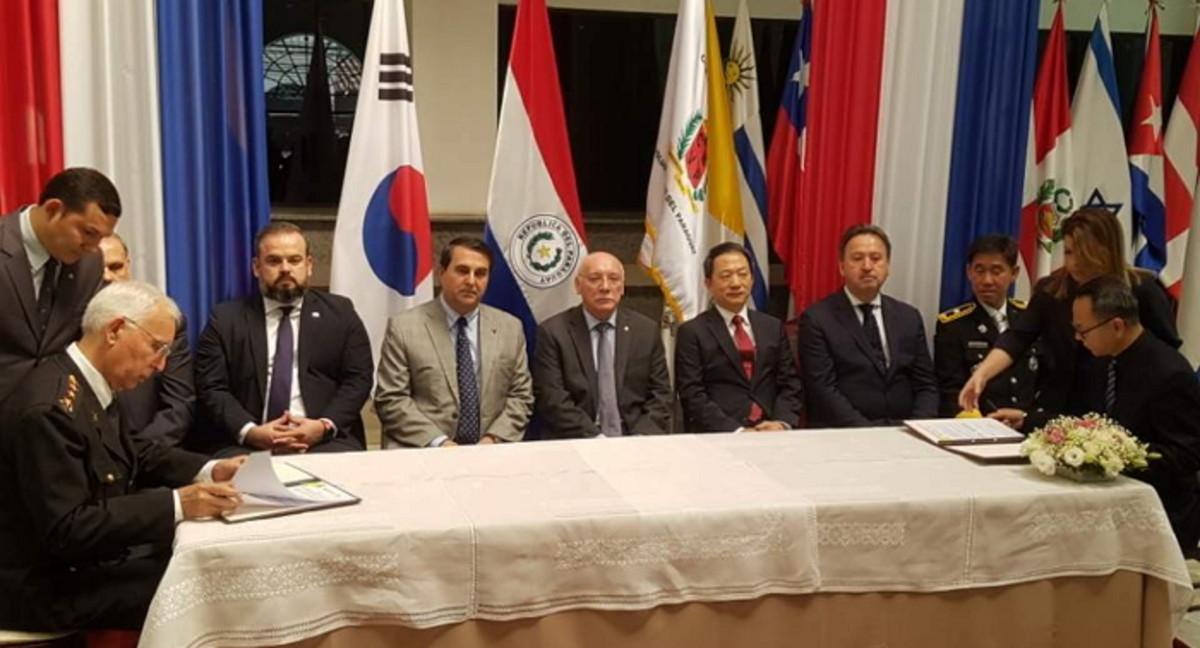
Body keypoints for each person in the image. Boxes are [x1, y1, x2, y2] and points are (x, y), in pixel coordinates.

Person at [0, 281, 244, 631]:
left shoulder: (85, 381)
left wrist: (210, 469)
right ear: (115, 330)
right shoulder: (49, 409)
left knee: (200, 561)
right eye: (157, 347)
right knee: (200, 583)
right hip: (42, 586)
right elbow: (69, 529)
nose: (162, 365)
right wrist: (178, 504)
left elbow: (135, 451)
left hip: (82, 564)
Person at [1002, 278, 1200, 550]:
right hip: (1107, 499)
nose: (1077, 338)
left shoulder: (1169, 373)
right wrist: (1028, 419)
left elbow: (1185, 457)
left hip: (1159, 515)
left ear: (1117, 326)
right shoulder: (1104, 360)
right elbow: (1087, 422)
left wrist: (1115, 453)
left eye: (1083, 331)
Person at [960, 208, 1180, 420]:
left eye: (1083, 253)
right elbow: (1017, 338)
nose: (1073, 263)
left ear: (1106, 250)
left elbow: (1164, 353)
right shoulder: (1051, 291)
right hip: (1058, 408)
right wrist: (982, 374)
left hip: (1120, 407)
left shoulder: (1142, 290)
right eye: (1068, 252)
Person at [195, 223, 373, 455]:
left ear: (309, 265)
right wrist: (250, 431)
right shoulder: (226, 319)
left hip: (325, 440)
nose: (285, 268)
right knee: (232, 475)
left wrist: (323, 426)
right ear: (256, 267)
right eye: (274, 261)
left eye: (294, 260)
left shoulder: (340, 313)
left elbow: (359, 379)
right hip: (246, 442)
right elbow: (211, 386)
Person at [375, 237, 534, 447]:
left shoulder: (510, 328)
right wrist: (441, 443)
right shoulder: (404, 327)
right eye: (462, 271)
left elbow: (521, 397)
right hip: (424, 448)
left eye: (480, 273)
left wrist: (492, 440)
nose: (471, 281)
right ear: (441, 273)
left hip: (491, 449)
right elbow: (391, 399)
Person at [0, 167, 121, 403]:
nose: (93, 247)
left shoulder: (90, 264)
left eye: (101, 238)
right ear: (53, 209)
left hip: (51, 413)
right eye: (88, 232)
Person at [799, 224, 938, 427]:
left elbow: (926, 385)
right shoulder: (817, 319)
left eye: (876, 258)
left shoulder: (909, 317)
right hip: (844, 434)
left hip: (906, 432)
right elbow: (822, 390)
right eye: (857, 258)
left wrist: (919, 426)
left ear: (888, 266)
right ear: (841, 267)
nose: (867, 266)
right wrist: (869, 433)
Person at [535, 251, 672, 438]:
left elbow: (660, 394)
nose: (605, 287)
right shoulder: (554, 332)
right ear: (578, 285)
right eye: (595, 279)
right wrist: (596, 438)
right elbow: (553, 398)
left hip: (635, 438)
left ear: (622, 287)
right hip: (577, 439)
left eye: (614, 279)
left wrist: (641, 436)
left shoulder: (645, 330)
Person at [675, 242, 803, 433]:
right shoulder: (692, 332)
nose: (736, 283)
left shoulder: (772, 327)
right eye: (726, 276)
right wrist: (736, 431)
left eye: (743, 274)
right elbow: (692, 394)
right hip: (719, 434)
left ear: (752, 279)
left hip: (772, 431)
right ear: (708, 283)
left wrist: (781, 422)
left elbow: (790, 383)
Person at [102, 233, 195, 446]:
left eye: (115, 267)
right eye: (97, 269)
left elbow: (178, 405)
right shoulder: (60, 325)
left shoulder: (164, 321)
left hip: (150, 451)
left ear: (128, 266)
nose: (107, 277)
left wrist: (137, 454)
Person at [934, 235, 1041, 416]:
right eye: (979, 271)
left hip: (1027, 421)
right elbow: (951, 392)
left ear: (1014, 273)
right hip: (981, 422)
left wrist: (1030, 418)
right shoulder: (953, 325)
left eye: (996, 271)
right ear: (969, 272)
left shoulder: (1030, 318)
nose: (987, 280)